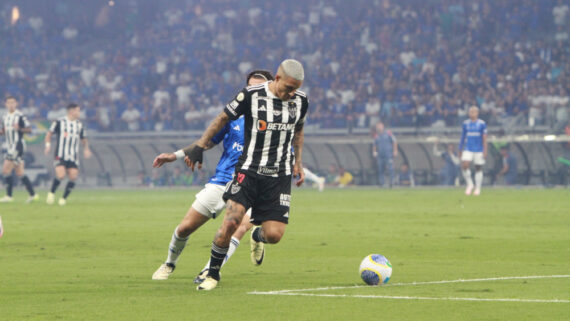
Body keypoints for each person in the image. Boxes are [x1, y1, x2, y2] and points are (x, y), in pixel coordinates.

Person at [157, 59, 308, 291]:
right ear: (277, 80)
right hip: (244, 173)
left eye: (295, 88)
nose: (292, 93)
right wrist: (191, 149)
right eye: (289, 87)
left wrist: (298, 162)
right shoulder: (248, 100)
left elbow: (298, 130)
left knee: (274, 235)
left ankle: (256, 237)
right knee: (219, 224)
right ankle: (209, 273)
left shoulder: (300, 101)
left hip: (277, 177)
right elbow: (217, 126)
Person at [150, 70, 274, 283]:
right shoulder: (233, 117)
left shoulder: (276, 122)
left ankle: (209, 270)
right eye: (251, 88)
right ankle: (169, 263)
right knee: (185, 228)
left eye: (260, 88)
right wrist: (175, 155)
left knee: (239, 225)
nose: (255, 92)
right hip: (222, 181)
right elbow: (206, 142)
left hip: (252, 183)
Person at [44, 103, 92, 206]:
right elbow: (49, 133)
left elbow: (83, 138)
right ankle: (52, 193)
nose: (79, 113)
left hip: (73, 155)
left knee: (73, 176)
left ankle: (63, 199)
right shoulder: (59, 122)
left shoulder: (79, 124)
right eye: (78, 110)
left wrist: (86, 149)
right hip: (60, 154)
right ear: (71, 111)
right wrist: (48, 145)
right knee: (61, 175)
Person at [0, 96, 39, 203]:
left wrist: (20, 129)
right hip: (9, 146)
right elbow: (4, 130)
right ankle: (33, 194)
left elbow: (29, 129)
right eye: (8, 103)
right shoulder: (5, 116)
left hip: (17, 146)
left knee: (5, 170)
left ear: (16, 103)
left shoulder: (20, 116)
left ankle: (9, 196)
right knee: (19, 172)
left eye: (13, 102)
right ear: (6, 104)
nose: (11, 104)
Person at [459, 106, 487, 195]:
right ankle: (470, 184)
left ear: (477, 113)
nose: (472, 114)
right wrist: (460, 148)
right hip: (468, 148)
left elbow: (484, 138)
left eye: (473, 112)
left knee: (478, 167)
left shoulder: (482, 124)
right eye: (470, 112)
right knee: (465, 165)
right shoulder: (465, 124)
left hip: (478, 149)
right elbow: (463, 137)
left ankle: (478, 188)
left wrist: (485, 150)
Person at [372, 121, 398, 187]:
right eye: (378, 126)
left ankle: (391, 182)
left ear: (383, 126)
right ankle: (381, 183)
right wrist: (374, 151)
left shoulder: (388, 133)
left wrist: (395, 150)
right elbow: (374, 145)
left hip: (388, 154)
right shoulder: (376, 136)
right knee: (380, 169)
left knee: (390, 168)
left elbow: (394, 141)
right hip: (380, 155)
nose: (379, 127)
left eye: (380, 126)